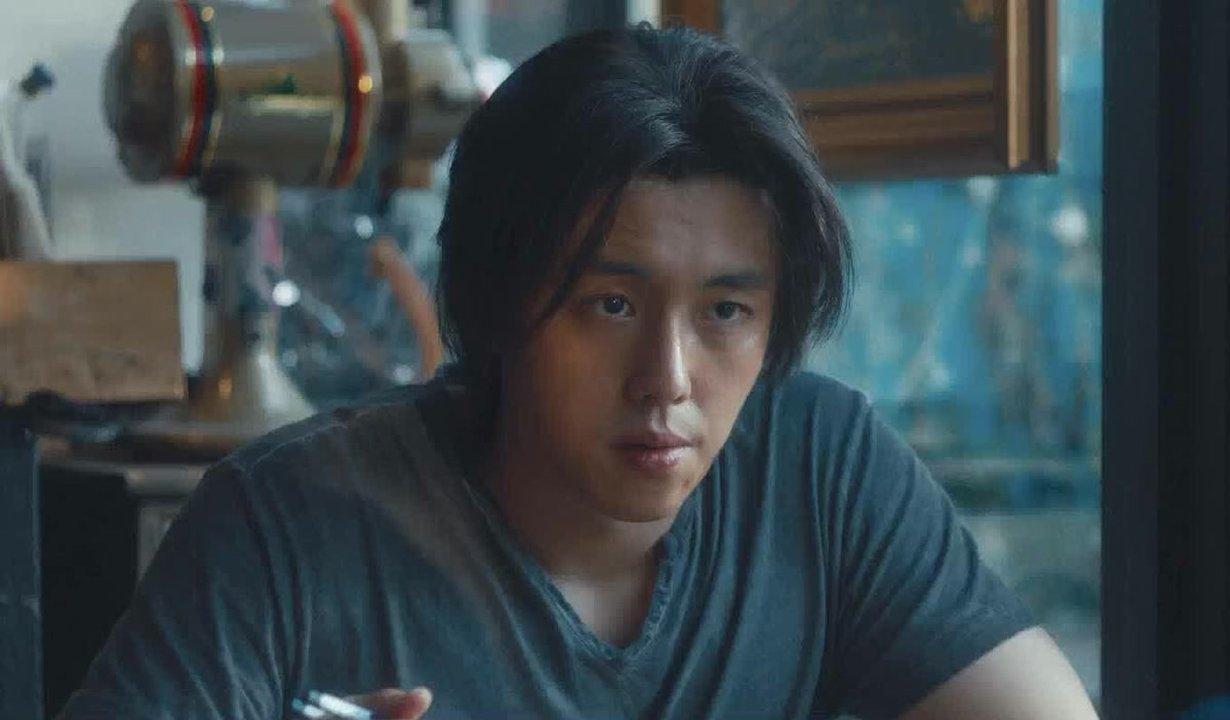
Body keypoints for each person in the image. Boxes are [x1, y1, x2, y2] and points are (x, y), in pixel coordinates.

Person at [58, 24, 1097, 720]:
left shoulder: (819, 470)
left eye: (725, 311)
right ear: (498, 302)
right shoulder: (287, 525)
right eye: (610, 305)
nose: (667, 378)